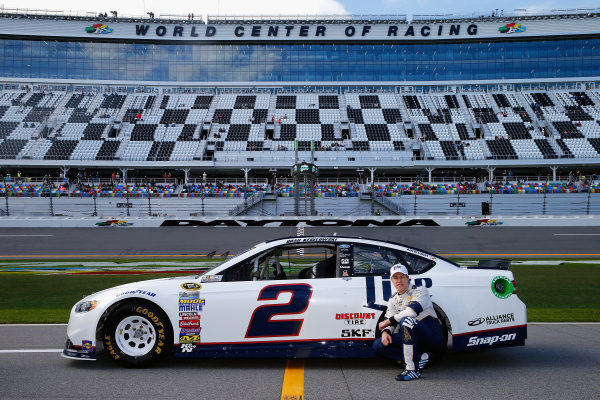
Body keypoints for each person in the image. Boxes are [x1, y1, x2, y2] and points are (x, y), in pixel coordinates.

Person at [373, 264, 443, 381]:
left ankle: (412, 370)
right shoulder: (393, 299)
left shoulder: (421, 290)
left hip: (432, 338)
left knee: (407, 321)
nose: (399, 280)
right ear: (392, 280)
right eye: (395, 278)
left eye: (402, 277)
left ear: (408, 278)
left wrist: (387, 322)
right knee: (378, 345)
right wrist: (385, 332)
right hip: (410, 337)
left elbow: (411, 312)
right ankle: (420, 357)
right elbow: (388, 318)